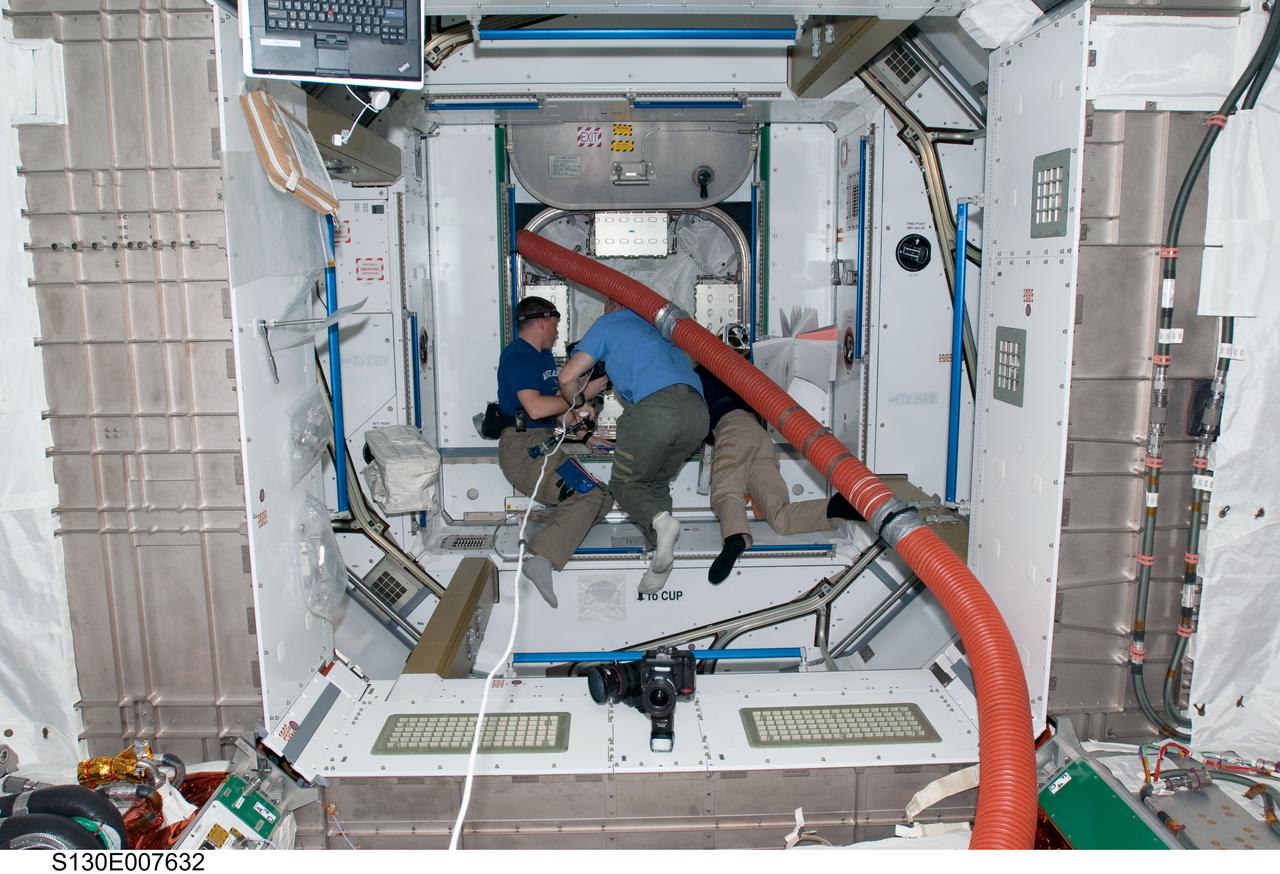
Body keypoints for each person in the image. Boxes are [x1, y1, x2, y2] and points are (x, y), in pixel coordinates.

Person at [559, 299, 709, 594]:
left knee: (625, 484)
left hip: (655, 409)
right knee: (654, 483)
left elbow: (567, 377)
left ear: (612, 305)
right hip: (698, 414)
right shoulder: (666, 322)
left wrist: (579, 405)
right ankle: (660, 555)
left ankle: (663, 525)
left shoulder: (609, 323)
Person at [696, 364, 864, 585]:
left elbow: (695, 421)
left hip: (731, 426)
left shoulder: (698, 375)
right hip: (759, 434)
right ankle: (833, 508)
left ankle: (735, 537)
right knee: (779, 516)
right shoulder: (733, 369)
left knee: (726, 492)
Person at [496, 296, 613, 608]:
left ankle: (558, 525)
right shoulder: (518, 356)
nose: (557, 332)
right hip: (523, 450)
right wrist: (580, 397)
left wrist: (586, 436)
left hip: (543, 444)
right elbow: (535, 409)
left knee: (602, 496)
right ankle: (541, 558)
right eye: (556, 325)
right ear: (542, 321)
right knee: (586, 497)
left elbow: (559, 412)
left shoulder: (545, 358)